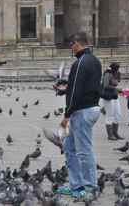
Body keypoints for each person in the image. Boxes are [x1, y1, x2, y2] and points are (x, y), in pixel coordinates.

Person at [52, 32, 102, 200]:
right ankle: (76, 186)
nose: (70, 49)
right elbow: (86, 87)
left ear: (76, 44)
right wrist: (64, 90)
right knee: (69, 147)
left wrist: (67, 114)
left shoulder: (80, 62)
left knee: (83, 151)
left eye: (71, 45)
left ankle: (91, 188)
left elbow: (76, 92)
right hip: (90, 108)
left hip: (82, 111)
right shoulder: (95, 61)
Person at [101, 63, 124, 141]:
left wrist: (118, 75)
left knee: (118, 114)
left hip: (114, 96)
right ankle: (110, 135)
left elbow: (117, 82)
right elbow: (105, 86)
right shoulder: (107, 74)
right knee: (110, 115)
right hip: (108, 97)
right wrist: (117, 89)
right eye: (117, 69)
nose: (118, 70)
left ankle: (115, 133)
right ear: (114, 69)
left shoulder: (115, 74)